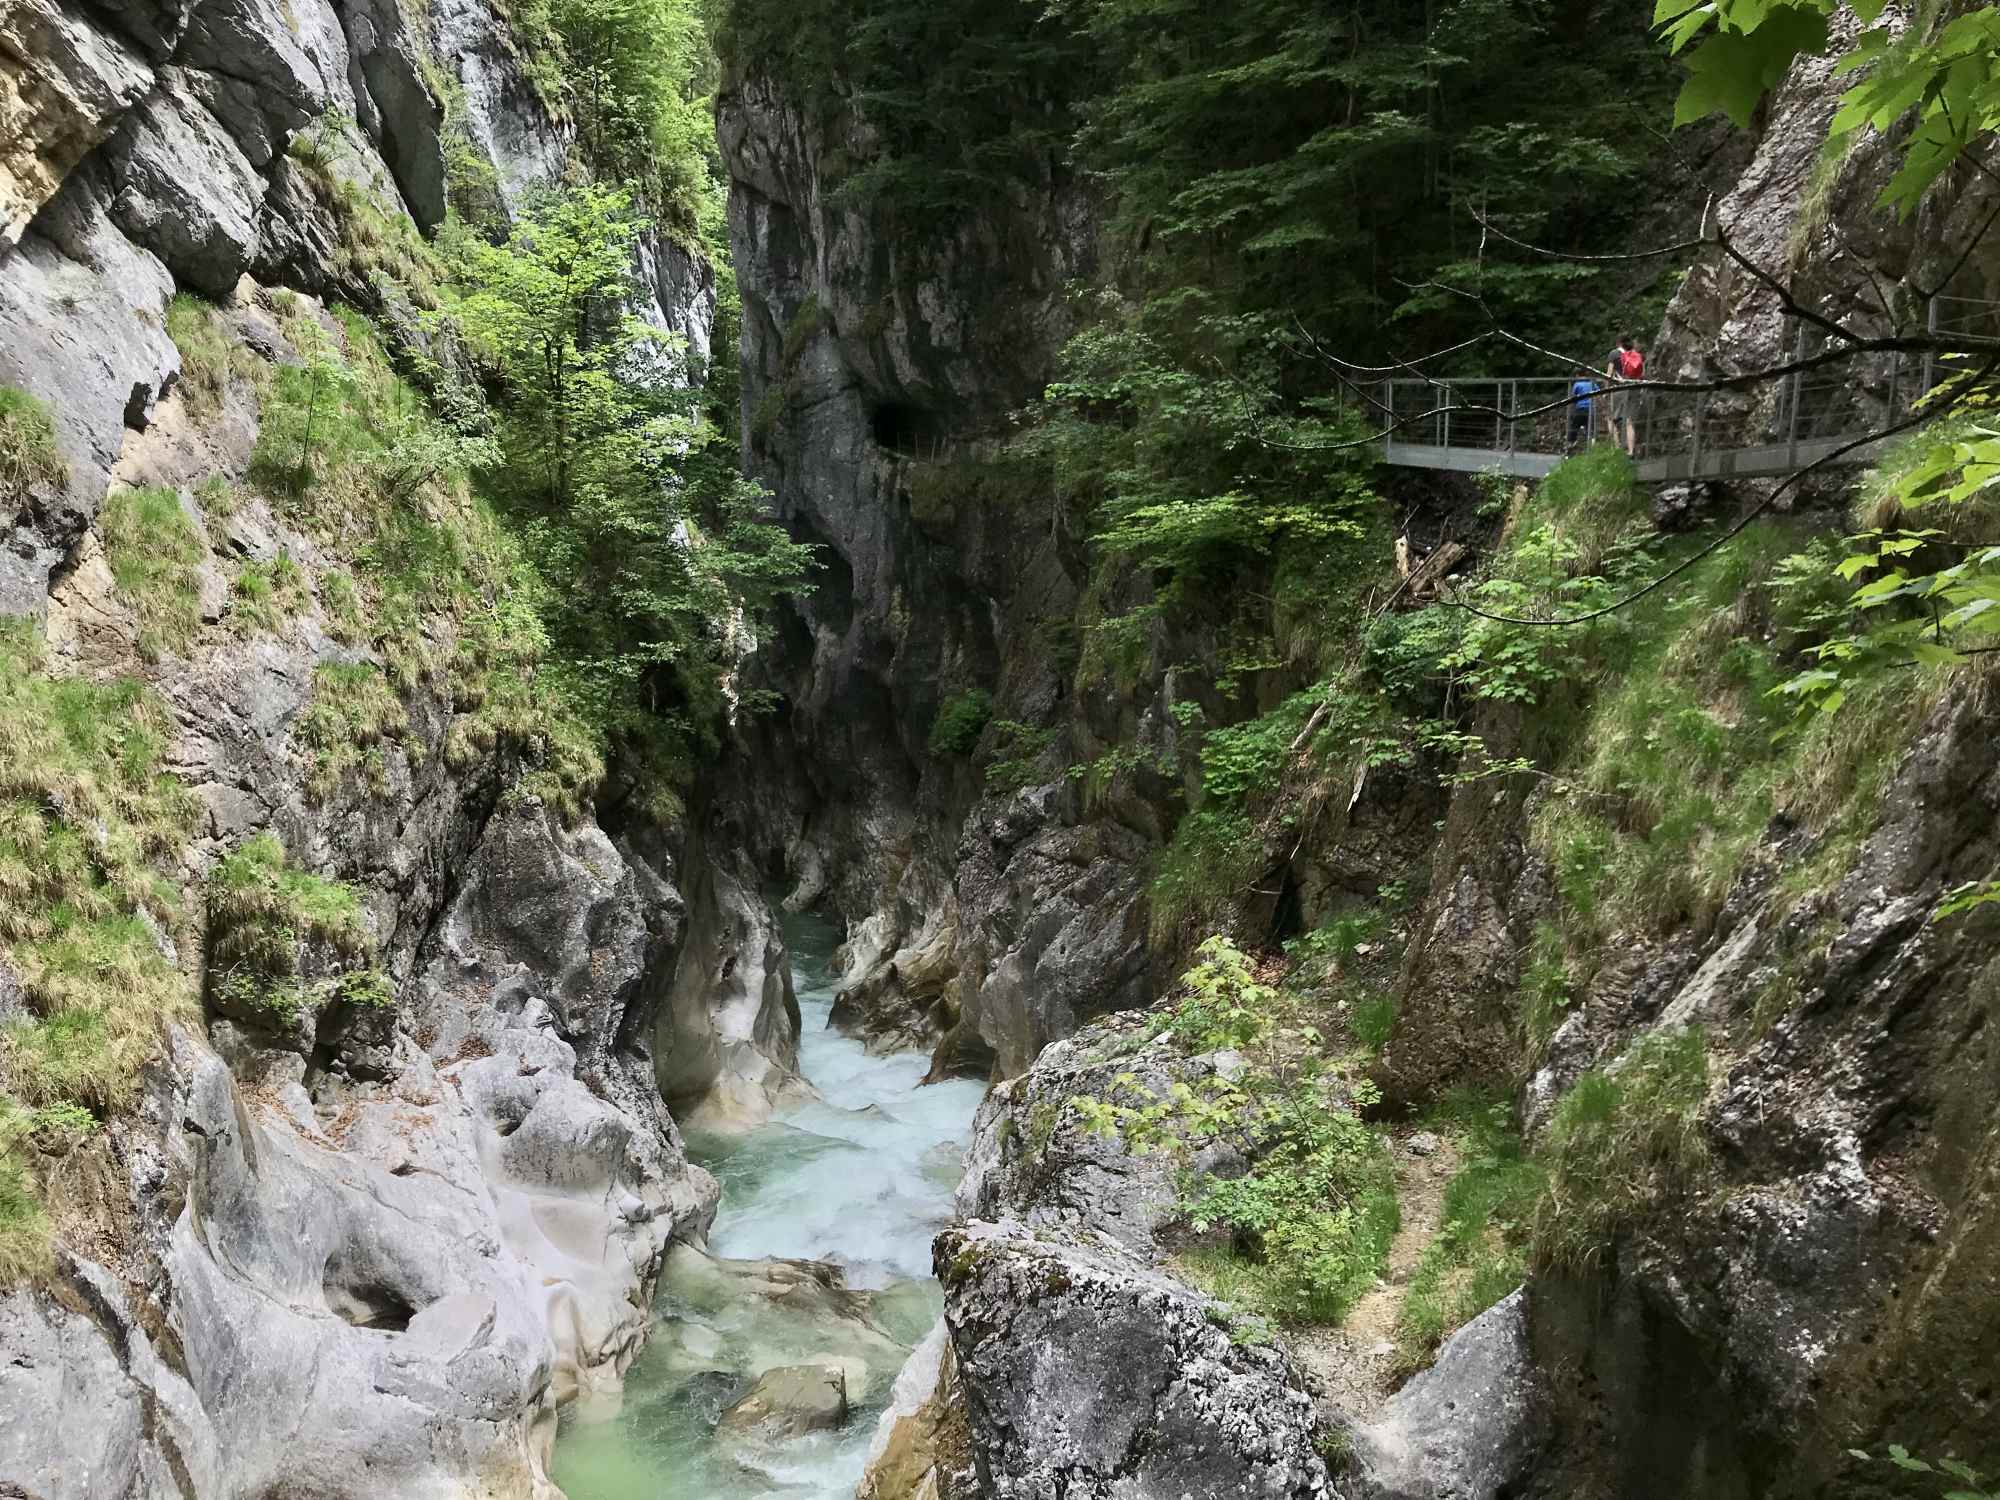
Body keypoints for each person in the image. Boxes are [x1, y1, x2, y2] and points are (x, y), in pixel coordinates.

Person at [1604, 334, 1645, 456]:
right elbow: (1642, 373)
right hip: (1633, 388)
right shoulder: (1636, 355)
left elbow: (1609, 374)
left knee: (1611, 419)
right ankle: (1631, 451)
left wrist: (1605, 390)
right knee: (1629, 421)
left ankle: (1617, 449)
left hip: (1618, 389)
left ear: (1618, 342)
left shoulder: (1614, 354)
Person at [1567, 369, 1598, 453]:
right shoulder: (1592, 383)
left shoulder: (1577, 384)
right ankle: (1592, 446)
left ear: (1578, 375)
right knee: (1590, 428)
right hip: (1590, 409)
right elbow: (1598, 392)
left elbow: (1573, 397)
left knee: (1574, 427)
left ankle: (1570, 444)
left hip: (1580, 408)